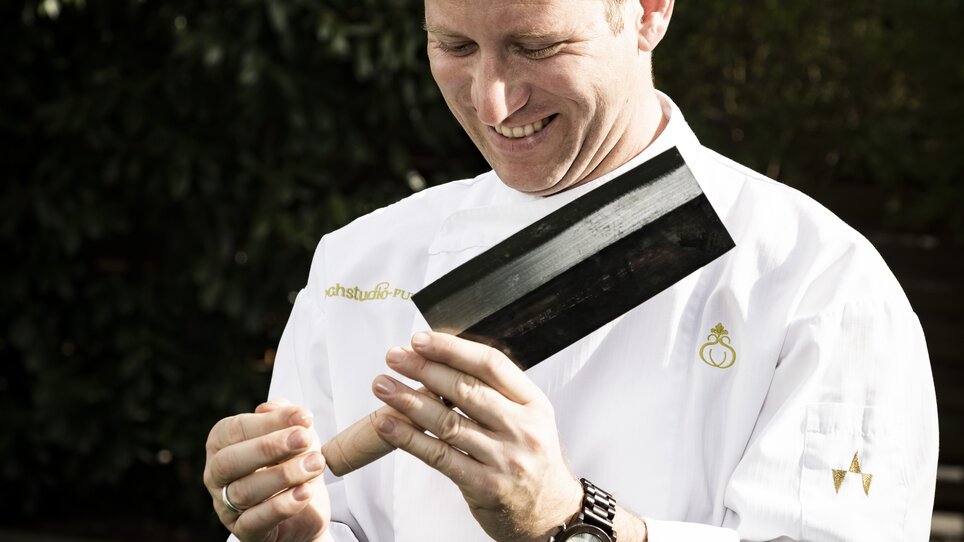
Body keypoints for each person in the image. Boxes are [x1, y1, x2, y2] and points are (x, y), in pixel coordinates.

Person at [202, 0, 939, 540]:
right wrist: (287, 533)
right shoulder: (359, 260)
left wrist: (568, 520)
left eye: (537, 46)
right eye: (454, 45)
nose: (492, 99)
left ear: (649, 13)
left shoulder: (819, 281)